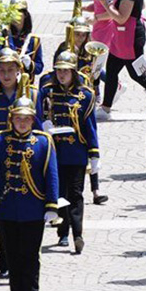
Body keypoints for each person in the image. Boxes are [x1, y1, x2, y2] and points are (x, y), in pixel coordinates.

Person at [0, 85, 59, 291]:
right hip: (7, 209)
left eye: (26, 119)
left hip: (33, 209)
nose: (22, 123)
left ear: (32, 120)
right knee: (13, 255)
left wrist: (51, 206)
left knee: (31, 255)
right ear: (11, 119)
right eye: (18, 119)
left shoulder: (43, 142)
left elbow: (51, 174)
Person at [0, 48, 37, 279]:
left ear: (18, 71)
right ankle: (5, 260)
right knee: (2, 214)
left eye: (11, 70)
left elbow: (39, 131)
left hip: (26, 162)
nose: (6, 75)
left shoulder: (32, 94)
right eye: (2, 71)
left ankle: (23, 261)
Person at [37, 48, 99, 253]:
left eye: (66, 70)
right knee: (59, 192)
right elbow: (38, 115)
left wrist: (94, 153)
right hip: (54, 152)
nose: (61, 74)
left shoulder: (85, 95)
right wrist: (43, 124)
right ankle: (63, 231)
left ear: (73, 71)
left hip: (76, 152)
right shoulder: (47, 91)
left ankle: (77, 234)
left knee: (76, 193)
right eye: (59, 70)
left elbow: (89, 126)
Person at [2, 0, 44, 84]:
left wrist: (30, 64)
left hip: (26, 85)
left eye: (19, 12)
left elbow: (39, 68)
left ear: (25, 15)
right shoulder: (3, 37)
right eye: (12, 12)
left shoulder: (33, 40)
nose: (15, 16)